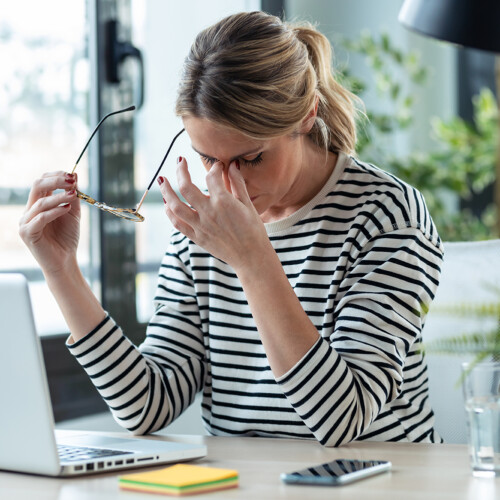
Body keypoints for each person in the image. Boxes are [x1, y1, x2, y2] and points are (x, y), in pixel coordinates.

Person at [19, 11, 444, 446]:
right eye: (207, 159)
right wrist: (62, 272)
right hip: (242, 485)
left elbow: (342, 418)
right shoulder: (203, 226)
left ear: (306, 115)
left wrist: (252, 259)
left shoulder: (387, 216)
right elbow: (146, 405)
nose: (227, 184)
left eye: (251, 159)